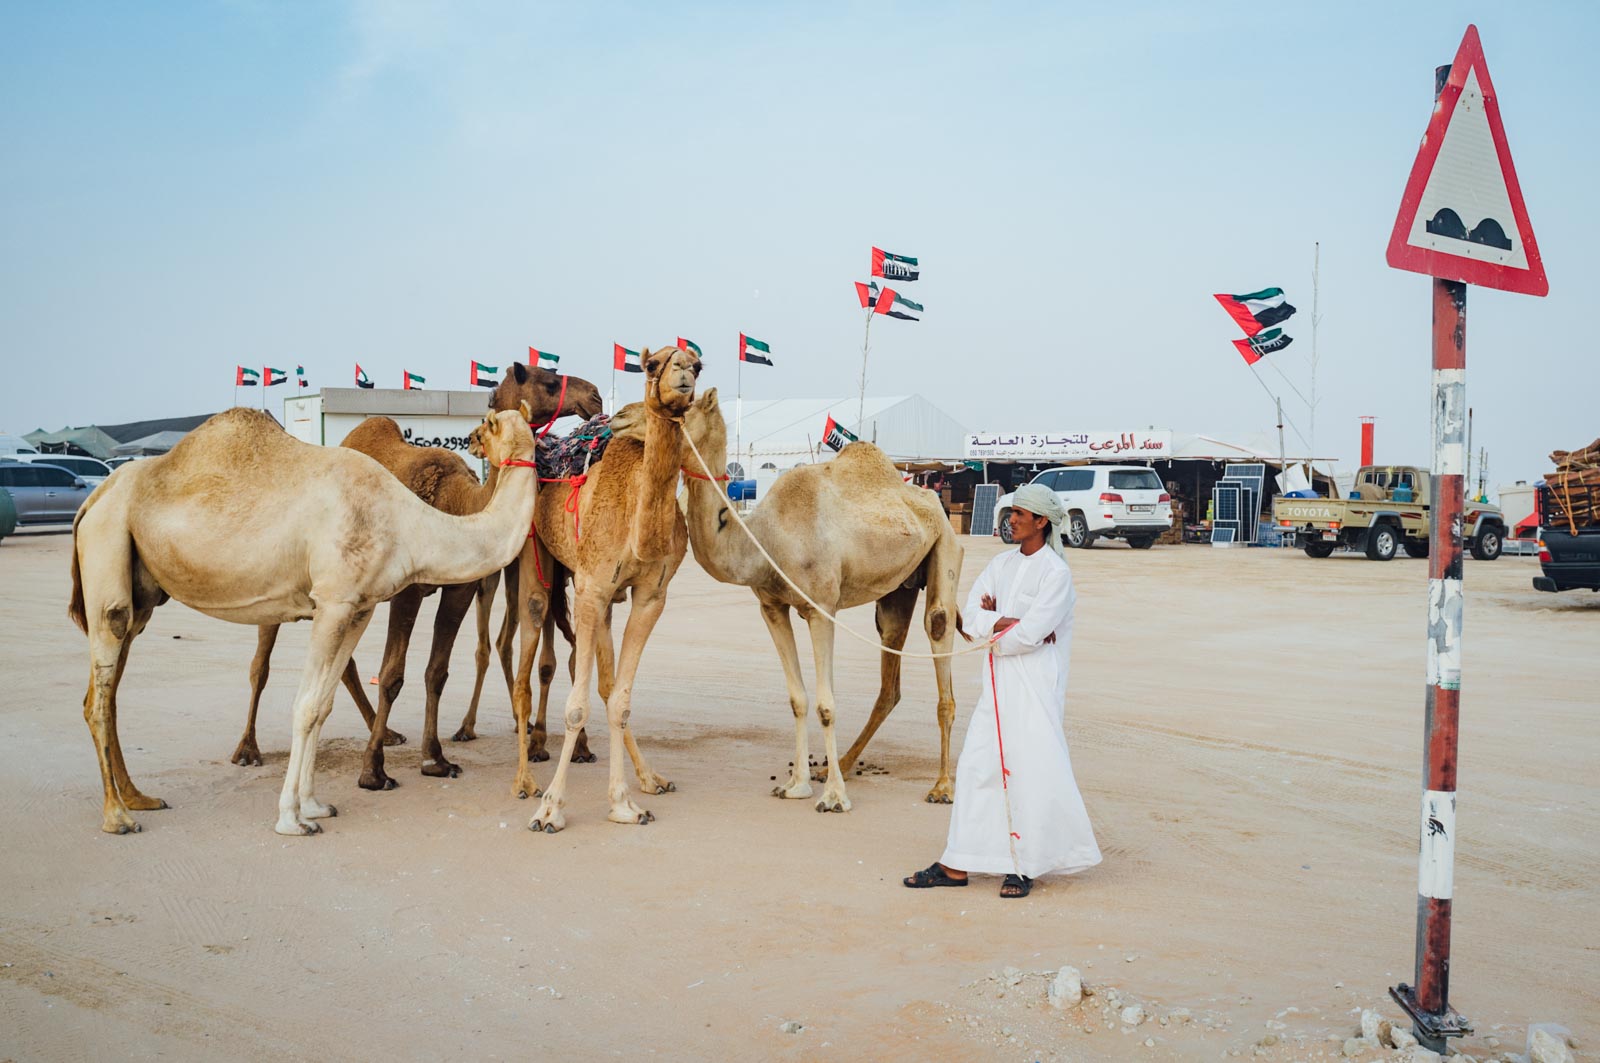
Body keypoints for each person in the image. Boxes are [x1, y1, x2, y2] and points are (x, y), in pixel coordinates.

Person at [903, 484, 1102, 898]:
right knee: (978, 768)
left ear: (1041, 521)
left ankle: (1025, 866)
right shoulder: (1000, 564)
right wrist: (997, 622)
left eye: (1019, 514)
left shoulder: (1056, 575)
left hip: (1035, 690)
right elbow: (970, 616)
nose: (1010, 519)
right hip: (995, 688)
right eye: (1011, 513)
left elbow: (1027, 637)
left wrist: (1005, 627)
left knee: (1031, 771)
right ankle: (956, 864)